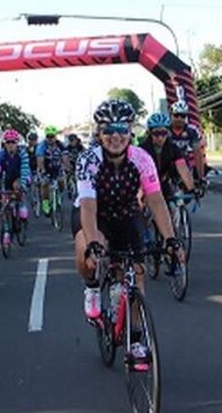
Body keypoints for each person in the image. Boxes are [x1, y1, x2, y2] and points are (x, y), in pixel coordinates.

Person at [73, 100, 183, 365]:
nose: (115, 136)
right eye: (108, 130)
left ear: (131, 131)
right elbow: (88, 206)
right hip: (95, 213)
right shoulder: (88, 160)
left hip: (126, 213)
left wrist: (170, 239)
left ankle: (135, 339)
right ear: (99, 133)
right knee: (86, 247)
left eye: (122, 128)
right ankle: (91, 287)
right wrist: (93, 244)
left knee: (137, 273)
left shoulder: (142, 159)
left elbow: (155, 200)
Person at [139, 112, 195, 206]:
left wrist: (191, 189)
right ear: (149, 133)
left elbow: (182, 168)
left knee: (171, 208)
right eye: (156, 133)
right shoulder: (142, 149)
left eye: (163, 133)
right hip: (146, 184)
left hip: (163, 183)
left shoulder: (172, 148)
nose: (160, 137)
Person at [0, 130, 31, 246]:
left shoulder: (22, 154)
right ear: (5, 144)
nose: (10, 145)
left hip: (21, 176)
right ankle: (7, 230)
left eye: (13, 142)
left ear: (17, 143)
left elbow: (25, 170)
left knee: (18, 188)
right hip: (7, 178)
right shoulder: (0, 156)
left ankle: (22, 206)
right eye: (8, 142)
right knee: (5, 203)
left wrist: (22, 186)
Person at [168, 100, 206, 187]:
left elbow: (198, 153)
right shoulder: (165, 130)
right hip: (167, 167)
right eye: (176, 115)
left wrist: (201, 177)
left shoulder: (192, 130)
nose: (179, 119)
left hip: (184, 166)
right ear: (171, 115)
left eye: (183, 116)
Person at [36, 126, 69, 216]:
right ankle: (45, 203)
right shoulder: (41, 146)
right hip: (46, 167)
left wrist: (67, 168)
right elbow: (40, 160)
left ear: (55, 137)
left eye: (52, 136)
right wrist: (42, 170)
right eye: (48, 136)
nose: (50, 139)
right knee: (44, 184)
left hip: (57, 167)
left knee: (62, 182)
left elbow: (65, 158)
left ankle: (58, 195)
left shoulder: (61, 145)